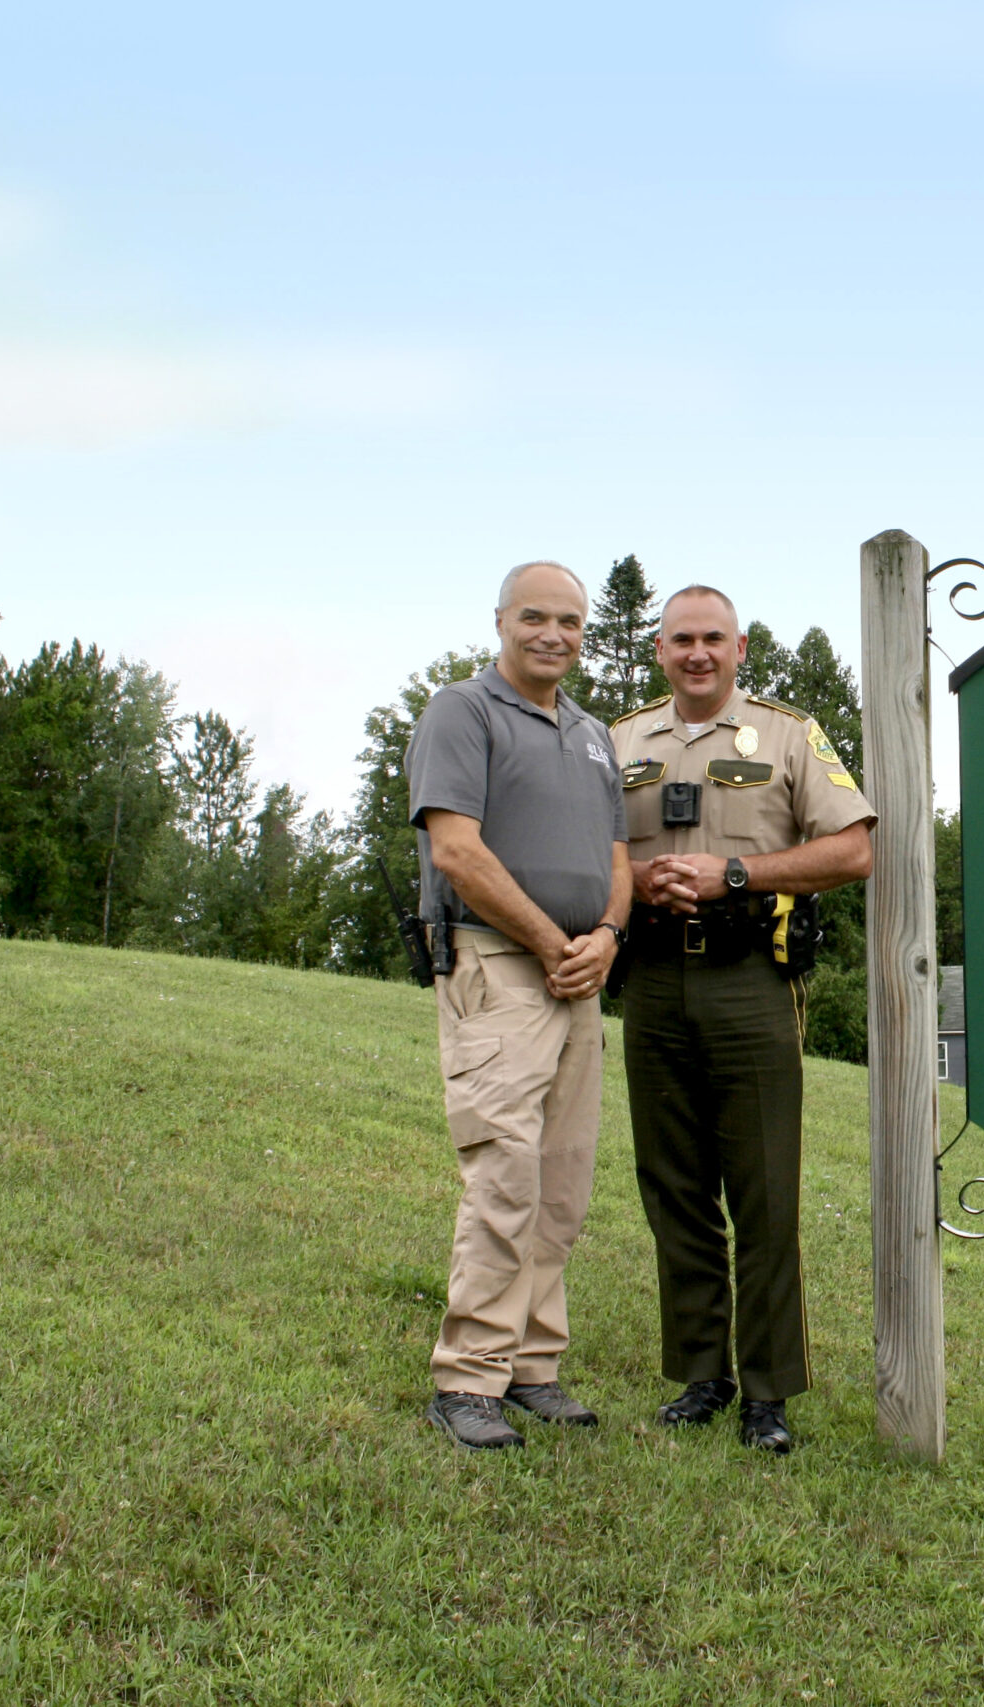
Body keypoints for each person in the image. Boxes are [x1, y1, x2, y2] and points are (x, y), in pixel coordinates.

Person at [611, 585, 874, 1454]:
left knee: (764, 1193)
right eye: (681, 639)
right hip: (649, 980)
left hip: (751, 982)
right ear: (659, 649)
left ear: (741, 647)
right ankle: (702, 1374)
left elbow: (853, 848)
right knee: (674, 1188)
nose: (698, 653)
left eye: (712, 639)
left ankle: (768, 1392)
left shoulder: (789, 734)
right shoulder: (620, 742)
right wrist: (635, 884)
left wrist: (735, 875)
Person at [405, 560, 631, 1451]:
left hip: (581, 974)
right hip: (500, 966)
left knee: (561, 1185)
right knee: (504, 1174)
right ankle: (467, 1378)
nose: (553, 634)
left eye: (570, 621)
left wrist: (608, 936)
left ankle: (533, 1366)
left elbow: (617, 857)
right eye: (534, 616)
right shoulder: (460, 711)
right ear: (501, 620)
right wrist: (549, 941)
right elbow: (457, 850)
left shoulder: (592, 733)